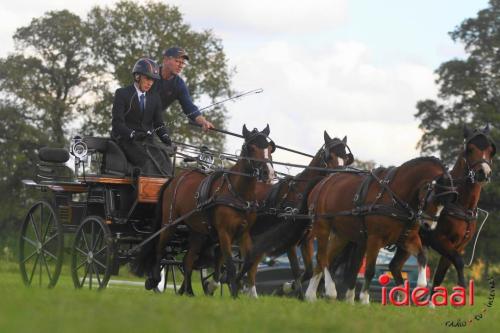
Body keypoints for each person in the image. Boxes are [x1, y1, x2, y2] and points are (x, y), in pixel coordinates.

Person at [111, 57, 172, 175]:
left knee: (166, 163)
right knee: (149, 162)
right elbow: (117, 124)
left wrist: (165, 136)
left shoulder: (155, 98)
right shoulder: (122, 94)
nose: (150, 83)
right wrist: (132, 134)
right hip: (126, 140)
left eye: (153, 80)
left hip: (147, 141)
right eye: (147, 78)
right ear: (137, 76)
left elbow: (159, 123)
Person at [154, 46, 214, 131]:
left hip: (149, 125)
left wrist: (203, 122)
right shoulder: (150, 73)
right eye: (177, 61)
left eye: (183, 63)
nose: (180, 65)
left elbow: (189, 107)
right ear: (166, 60)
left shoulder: (179, 84)